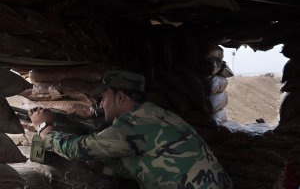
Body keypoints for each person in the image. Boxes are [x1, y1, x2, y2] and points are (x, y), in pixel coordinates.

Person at [29, 70, 233, 189]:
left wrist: (43, 127)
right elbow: (139, 163)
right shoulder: (158, 114)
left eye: (104, 99)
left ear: (121, 98)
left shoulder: (131, 125)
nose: (101, 105)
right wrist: (100, 165)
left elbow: (79, 149)